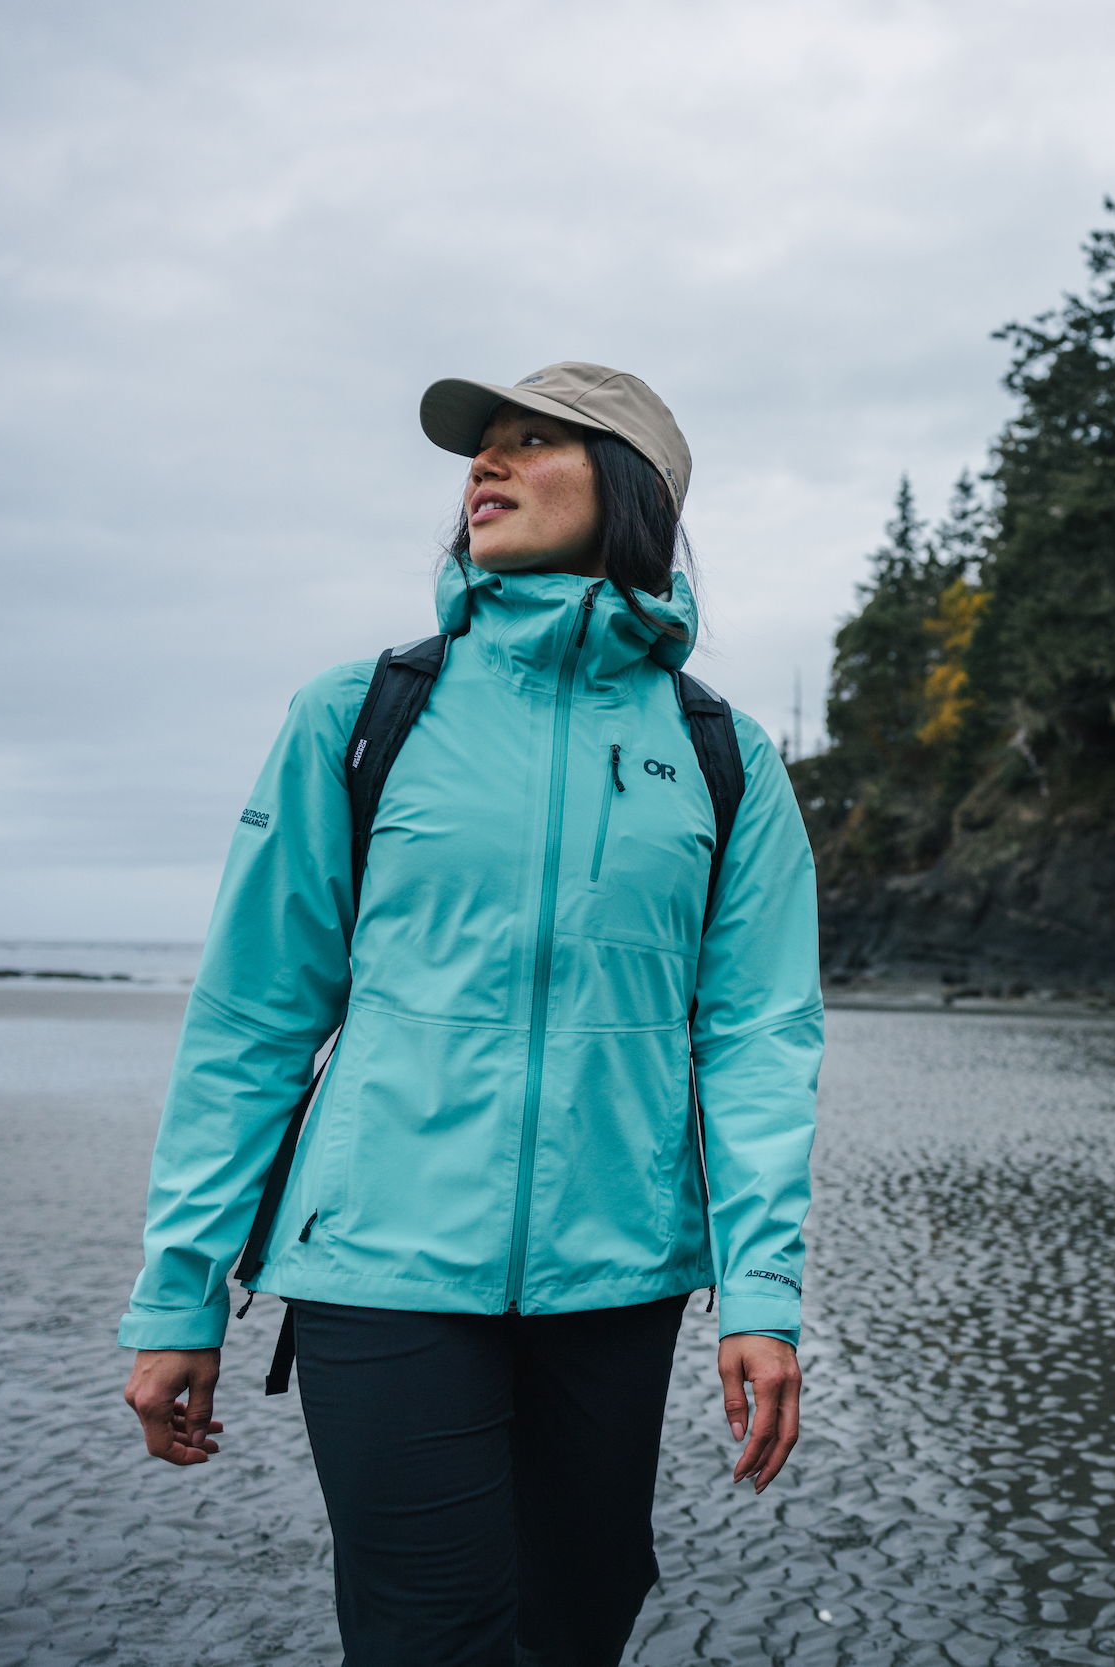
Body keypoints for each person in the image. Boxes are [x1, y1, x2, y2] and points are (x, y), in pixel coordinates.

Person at [115, 362, 823, 1667]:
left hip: (617, 1275)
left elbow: (760, 1037)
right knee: (432, 1633)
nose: (483, 468)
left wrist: (761, 1292)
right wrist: (180, 1292)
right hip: (379, 1264)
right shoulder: (363, 713)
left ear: (633, 493)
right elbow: (255, 1019)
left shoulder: (724, 756)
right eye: (479, 449)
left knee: (582, 1615)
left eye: (531, 442)